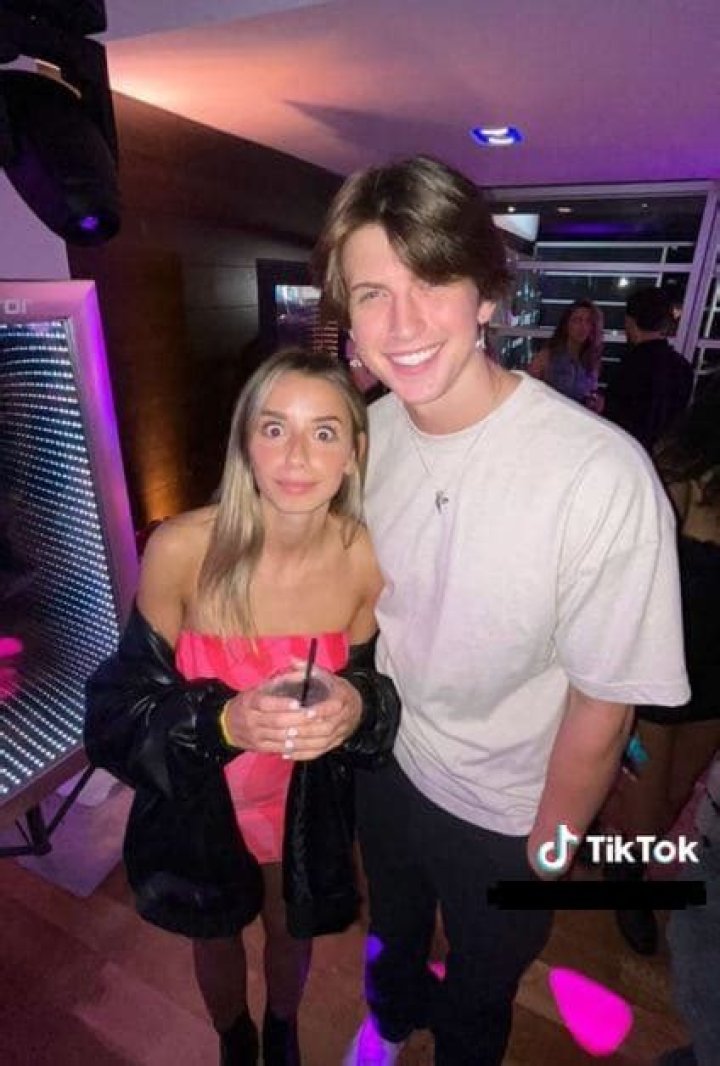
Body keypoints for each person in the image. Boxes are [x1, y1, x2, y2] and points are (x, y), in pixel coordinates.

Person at [311, 155, 690, 1066]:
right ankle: (388, 1021)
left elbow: (605, 704)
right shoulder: (365, 436)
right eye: (373, 293)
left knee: (481, 995)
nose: (402, 325)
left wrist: (550, 853)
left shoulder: (599, 475)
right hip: (386, 766)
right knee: (391, 937)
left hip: (509, 813)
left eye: (433, 282)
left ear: (486, 294)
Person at [84, 349, 400, 1066]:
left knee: (291, 926)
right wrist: (223, 721)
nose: (297, 456)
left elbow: (373, 690)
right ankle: (235, 1037)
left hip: (301, 803)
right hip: (202, 802)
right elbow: (115, 712)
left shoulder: (364, 557)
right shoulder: (181, 549)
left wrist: (356, 704)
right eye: (274, 428)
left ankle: (282, 1029)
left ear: (354, 453)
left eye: (324, 432)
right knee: (215, 930)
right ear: (245, 442)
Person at [611, 375, 720, 956]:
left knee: (678, 795)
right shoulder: (678, 475)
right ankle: (623, 875)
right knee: (647, 806)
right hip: (661, 673)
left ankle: (620, 856)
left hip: (716, 678)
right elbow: (632, 578)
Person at [604, 286, 693, 451]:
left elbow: (616, 419)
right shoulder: (683, 367)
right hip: (663, 454)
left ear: (630, 321)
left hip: (628, 451)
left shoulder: (630, 367)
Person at [528, 298, 604, 409]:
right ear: (566, 324)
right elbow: (529, 390)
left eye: (588, 321)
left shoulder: (592, 359)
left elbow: (591, 391)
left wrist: (595, 402)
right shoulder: (547, 355)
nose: (583, 326)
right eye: (577, 320)